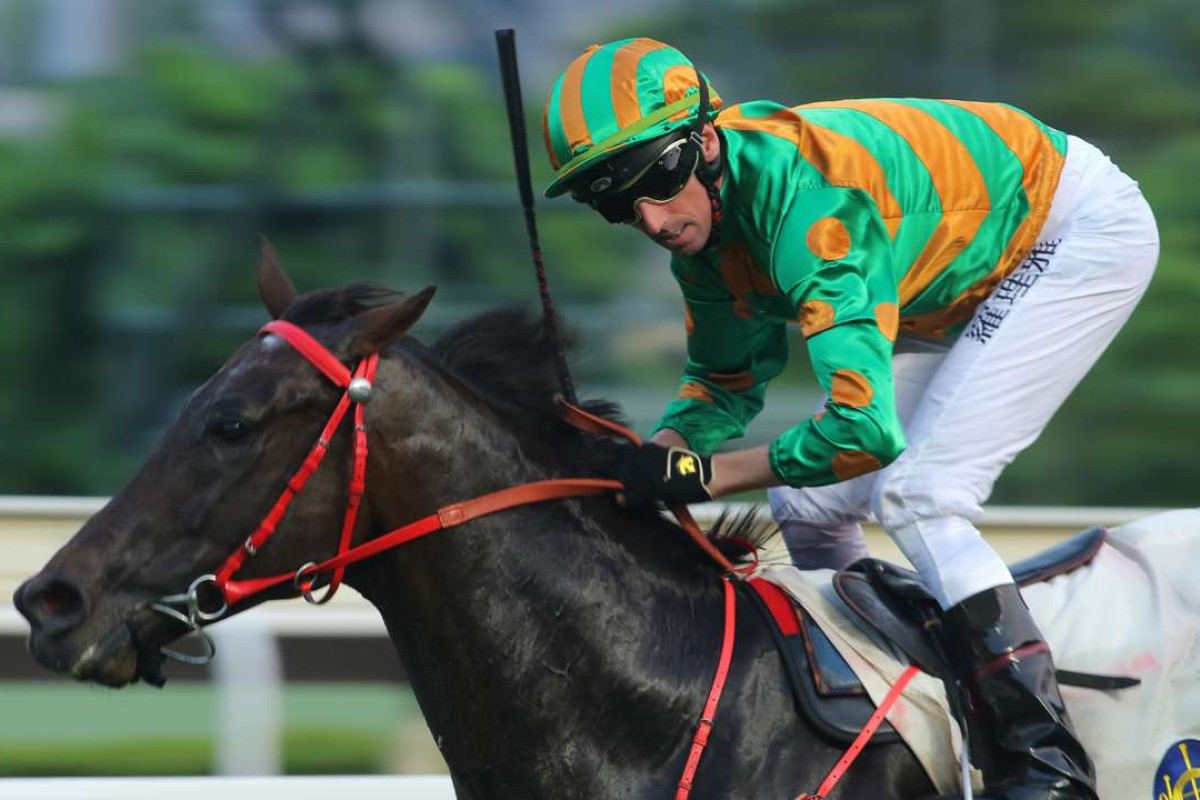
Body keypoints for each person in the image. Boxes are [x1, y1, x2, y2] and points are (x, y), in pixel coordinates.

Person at [541, 37, 1159, 799]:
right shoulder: (703, 237)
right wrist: (653, 457)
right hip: (952, 272)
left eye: (659, 179)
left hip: (1072, 231)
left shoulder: (812, 211)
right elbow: (724, 384)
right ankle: (868, 716)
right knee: (803, 501)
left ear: (705, 140)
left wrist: (707, 475)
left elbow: (864, 431)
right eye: (614, 200)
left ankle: (1047, 767)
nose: (654, 220)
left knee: (920, 495)